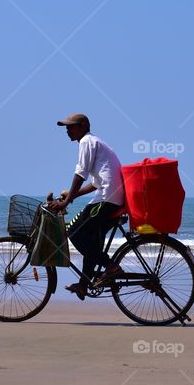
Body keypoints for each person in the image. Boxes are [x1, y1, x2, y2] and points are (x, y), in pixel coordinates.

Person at [47, 113, 125, 300]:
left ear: (83, 126)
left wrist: (66, 202)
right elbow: (95, 183)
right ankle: (83, 285)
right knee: (90, 240)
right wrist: (72, 195)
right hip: (111, 196)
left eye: (71, 126)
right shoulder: (95, 142)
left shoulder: (86, 142)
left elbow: (80, 174)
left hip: (107, 198)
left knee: (74, 232)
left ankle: (111, 267)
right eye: (66, 127)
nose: (67, 130)